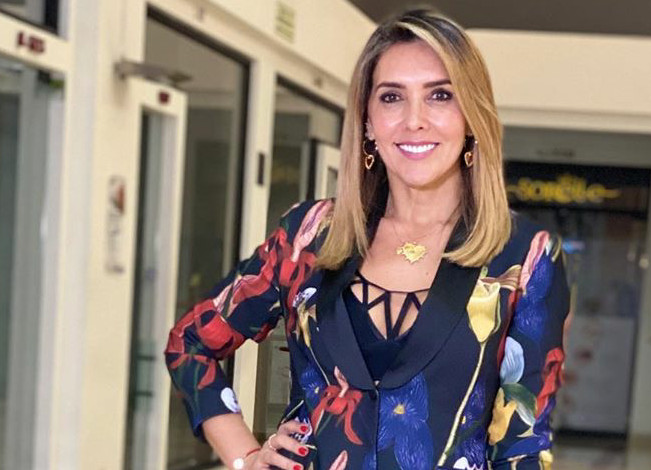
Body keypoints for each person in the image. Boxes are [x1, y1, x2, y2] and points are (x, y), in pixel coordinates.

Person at [165, 8, 569, 470]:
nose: (414, 120)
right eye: (392, 97)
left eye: (440, 95)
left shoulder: (525, 257)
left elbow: (523, 444)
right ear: (368, 122)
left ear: (472, 117)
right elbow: (190, 344)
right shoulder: (310, 236)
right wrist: (246, 458)